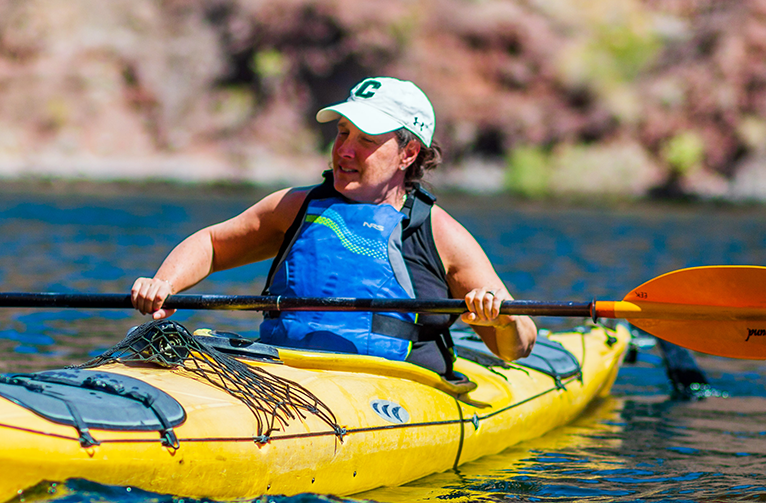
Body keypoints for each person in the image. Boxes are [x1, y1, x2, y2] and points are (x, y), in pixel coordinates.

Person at [130, 77, 536, 374]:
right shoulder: (294, 207)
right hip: (283, 373)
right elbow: (213, 244)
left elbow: (517, 347)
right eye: (342, 133)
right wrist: (165, 284)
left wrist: (502, 319)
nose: (344, 149)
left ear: (408, 152)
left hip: (395, 390)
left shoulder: (439, 233)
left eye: (365, 140)